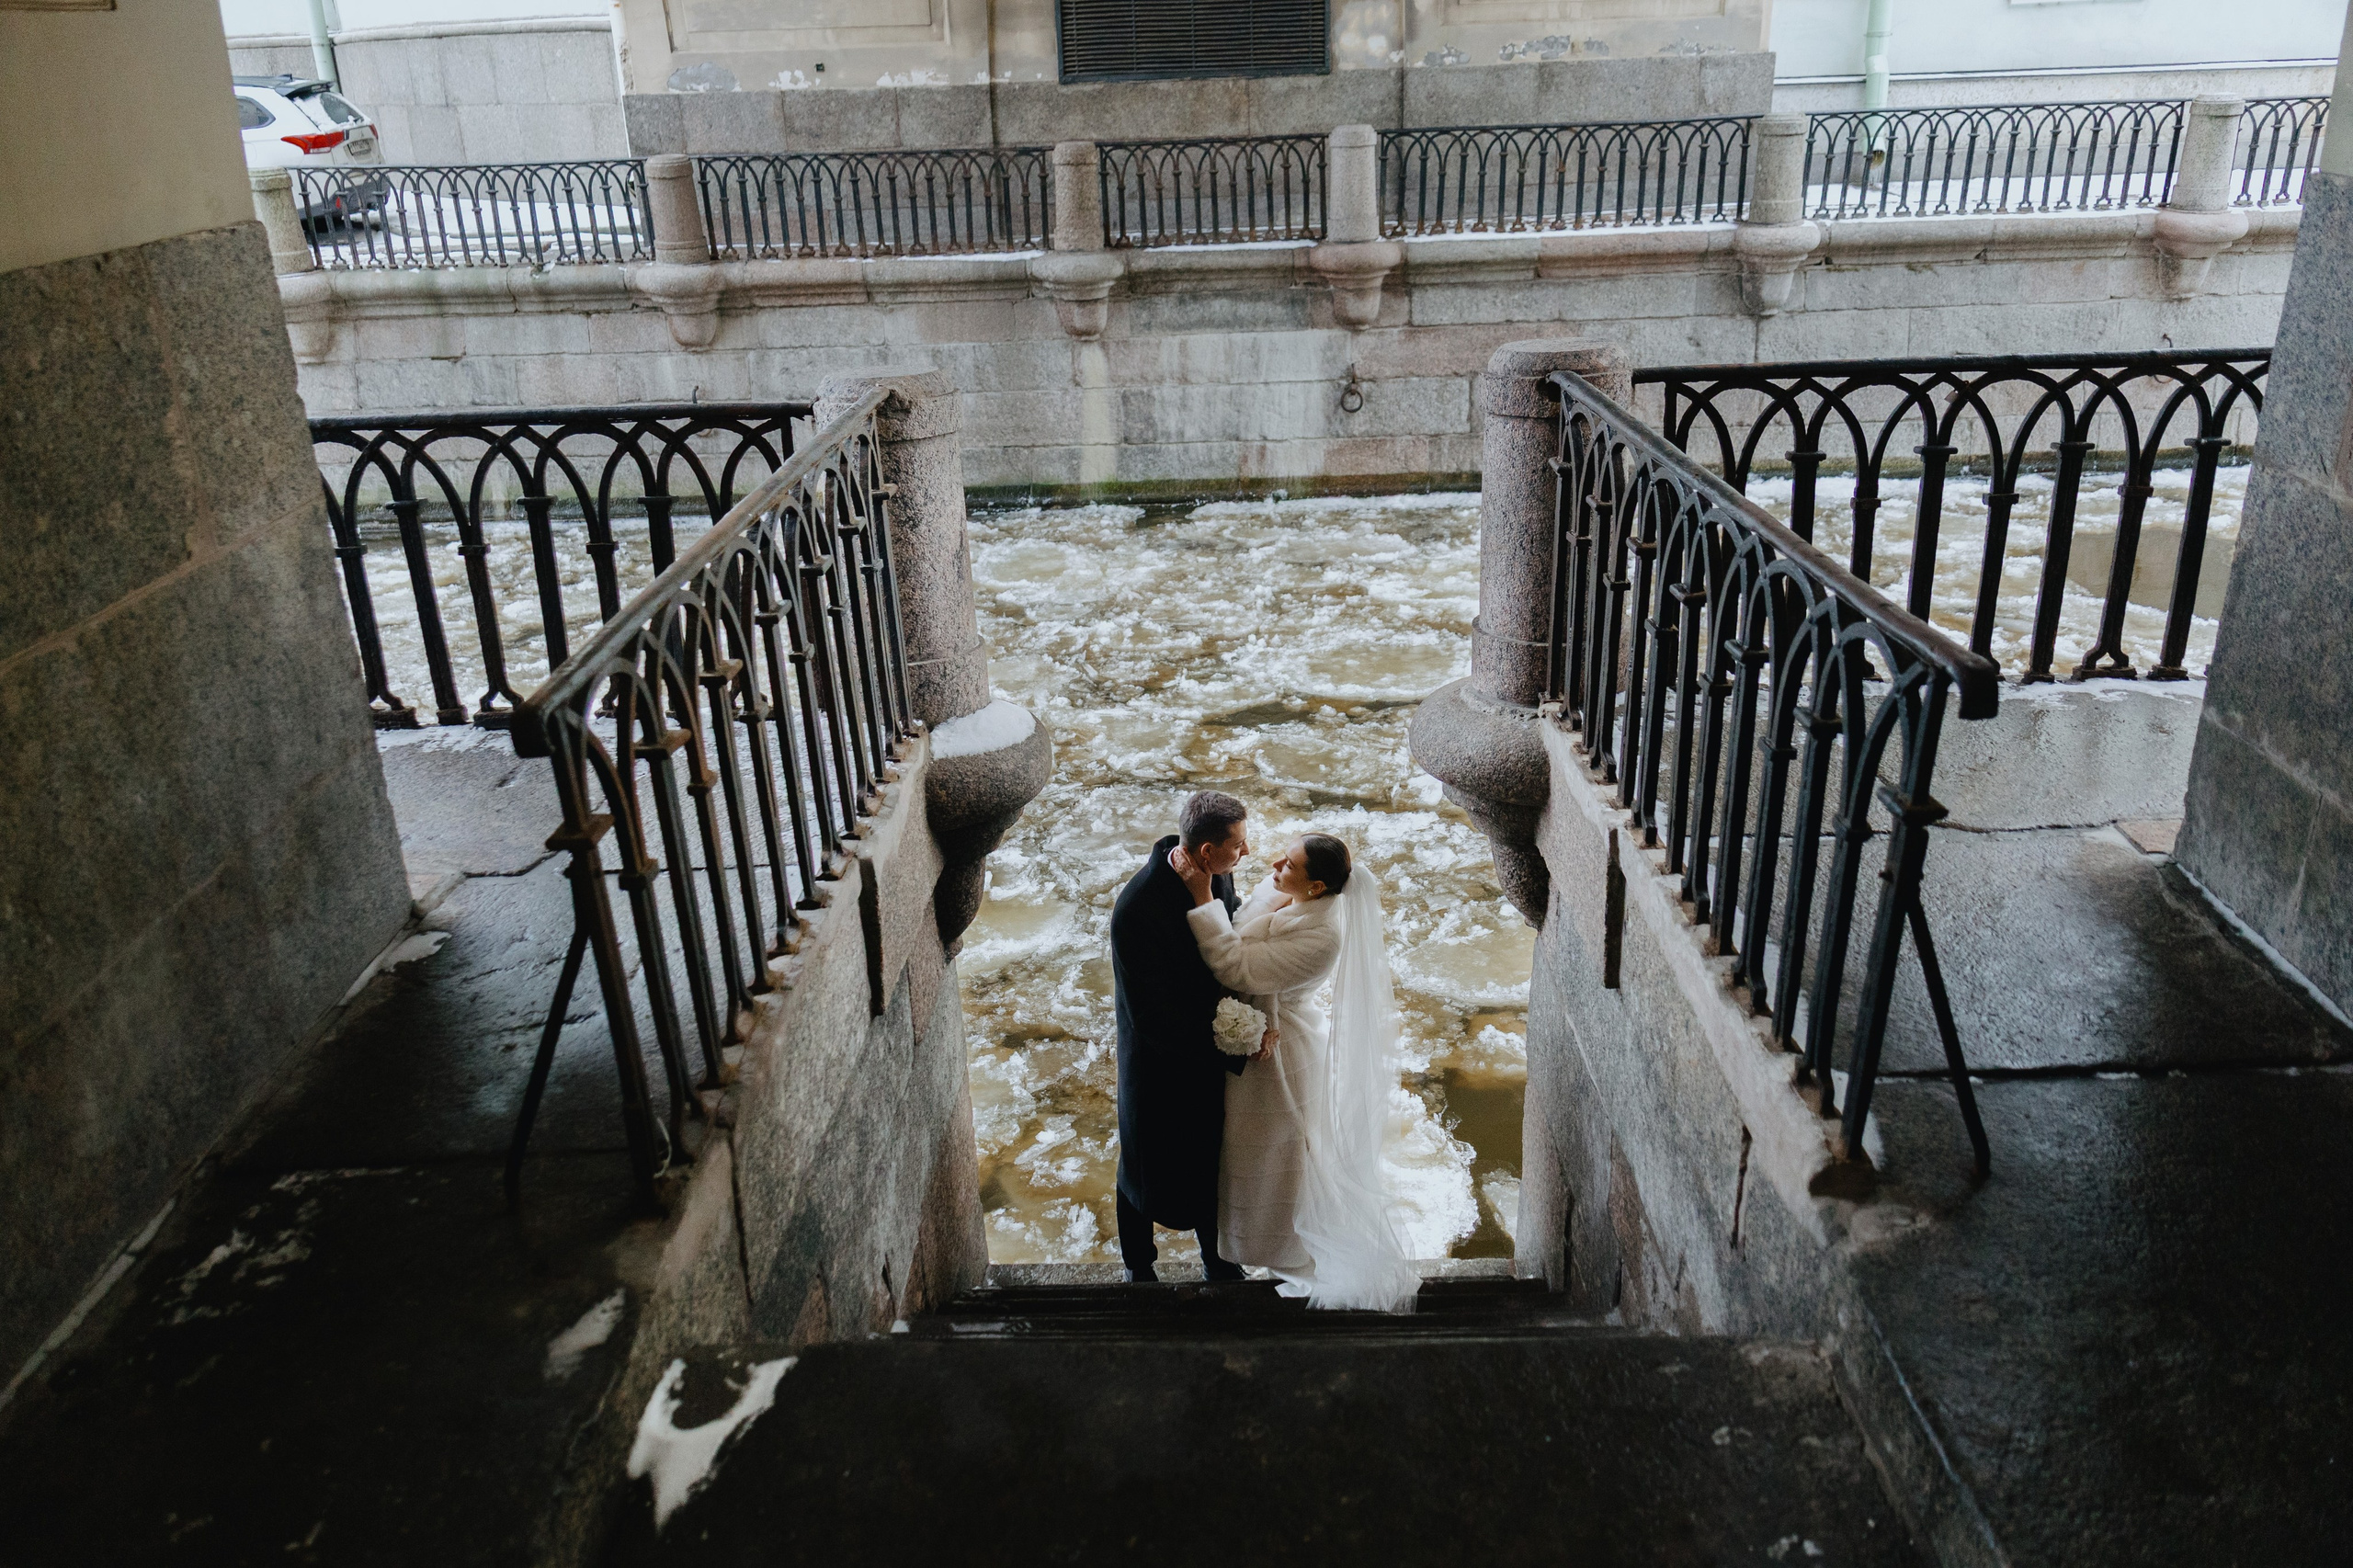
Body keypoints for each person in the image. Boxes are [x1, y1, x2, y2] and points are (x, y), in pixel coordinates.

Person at [1172, 831, 1421, 1312]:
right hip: (1265, 1034)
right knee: (1254, 1151)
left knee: (1279, 1155)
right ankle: (1252, 1253)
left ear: (1315, 890)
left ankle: (1290, 1255)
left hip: (1284, 1056)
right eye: (1283, 856)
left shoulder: (1322, 938)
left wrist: (1202, 897)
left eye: (1289, 866)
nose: (1273, 865)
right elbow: (1247, 929)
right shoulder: (1285, 892)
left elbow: (1237, 966)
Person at [1107, 790, 1260, 1283]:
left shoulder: (1216, 871)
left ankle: (1219, 1263)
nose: (1247, 851)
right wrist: (1233, 1046)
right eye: (1238, 844)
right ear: (1204, 850)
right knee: (1141, 1167)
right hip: (1157, 1059)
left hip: (1202, 1045)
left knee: (1209, 1157)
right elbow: (1152, 1016)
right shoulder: (1136, 909)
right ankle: (1138, 1267)